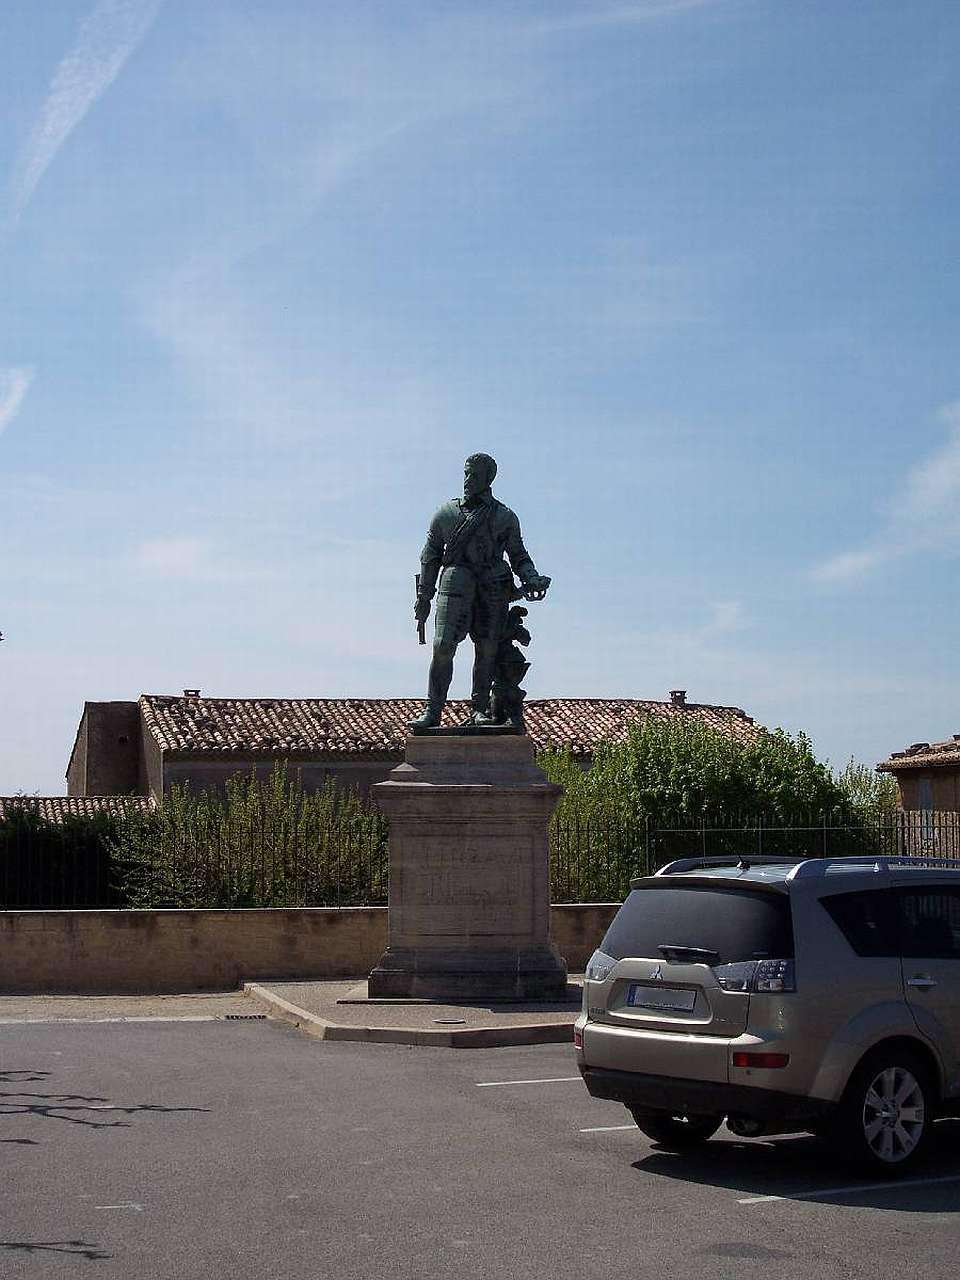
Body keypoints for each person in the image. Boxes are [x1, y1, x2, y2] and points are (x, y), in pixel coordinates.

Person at [410, 453, 551, 729]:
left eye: (474, 475)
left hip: (492, 584)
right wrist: (424, 597)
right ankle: (433, 710)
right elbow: (430, 556)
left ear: (488, 479)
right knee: (442, 646)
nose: (467, 480)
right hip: (454, 581)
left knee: (486, 650)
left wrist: (532, 578)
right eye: (465, 473)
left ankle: (479, 709)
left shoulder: (504, 516)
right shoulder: (445, 514)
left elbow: (519, 556)